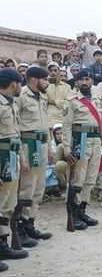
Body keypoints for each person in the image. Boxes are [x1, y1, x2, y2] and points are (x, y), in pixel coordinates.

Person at [63, 70, 102, 230]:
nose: (85, 82)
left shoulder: (96, 100)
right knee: (78, 178)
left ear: (92, 81)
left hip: (96, 140)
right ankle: (73, 213)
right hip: (80, 140)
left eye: (88, 79)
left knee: (90, 178)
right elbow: (67, 126)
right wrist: (67, 148)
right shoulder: (72, 100)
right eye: (82, 79)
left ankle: (82, 209)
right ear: (76, 82)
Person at [15, 66, 53, 245]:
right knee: (27, 187)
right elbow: (15, 125)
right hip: (28, 144)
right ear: (34, 79)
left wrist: (50, 148)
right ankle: (19, 227)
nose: (47, 82)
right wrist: (20, 154)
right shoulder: (21, 96)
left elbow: (45, 125)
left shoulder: (42, 97)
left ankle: (30, 222)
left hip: (42, 144)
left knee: (39, 187)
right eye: (45, 79)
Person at [0, 69, 30, 271]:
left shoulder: (11, 103)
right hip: (1, 156)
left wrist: (22, 158)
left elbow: (15, 134)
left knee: (8, 203)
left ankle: (3, 242)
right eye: (20, 83)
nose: (21, 87)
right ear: (13, 84)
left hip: (11, 155)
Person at [45, 62, 71, 130]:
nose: (53, 73)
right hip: (48, 119)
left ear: (59, 72)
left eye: (55, 70)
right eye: (50, 71)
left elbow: (68, 103)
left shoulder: (67, 87)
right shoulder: (44, 85)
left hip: (62, 119)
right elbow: (43, 101)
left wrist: (53, 101)